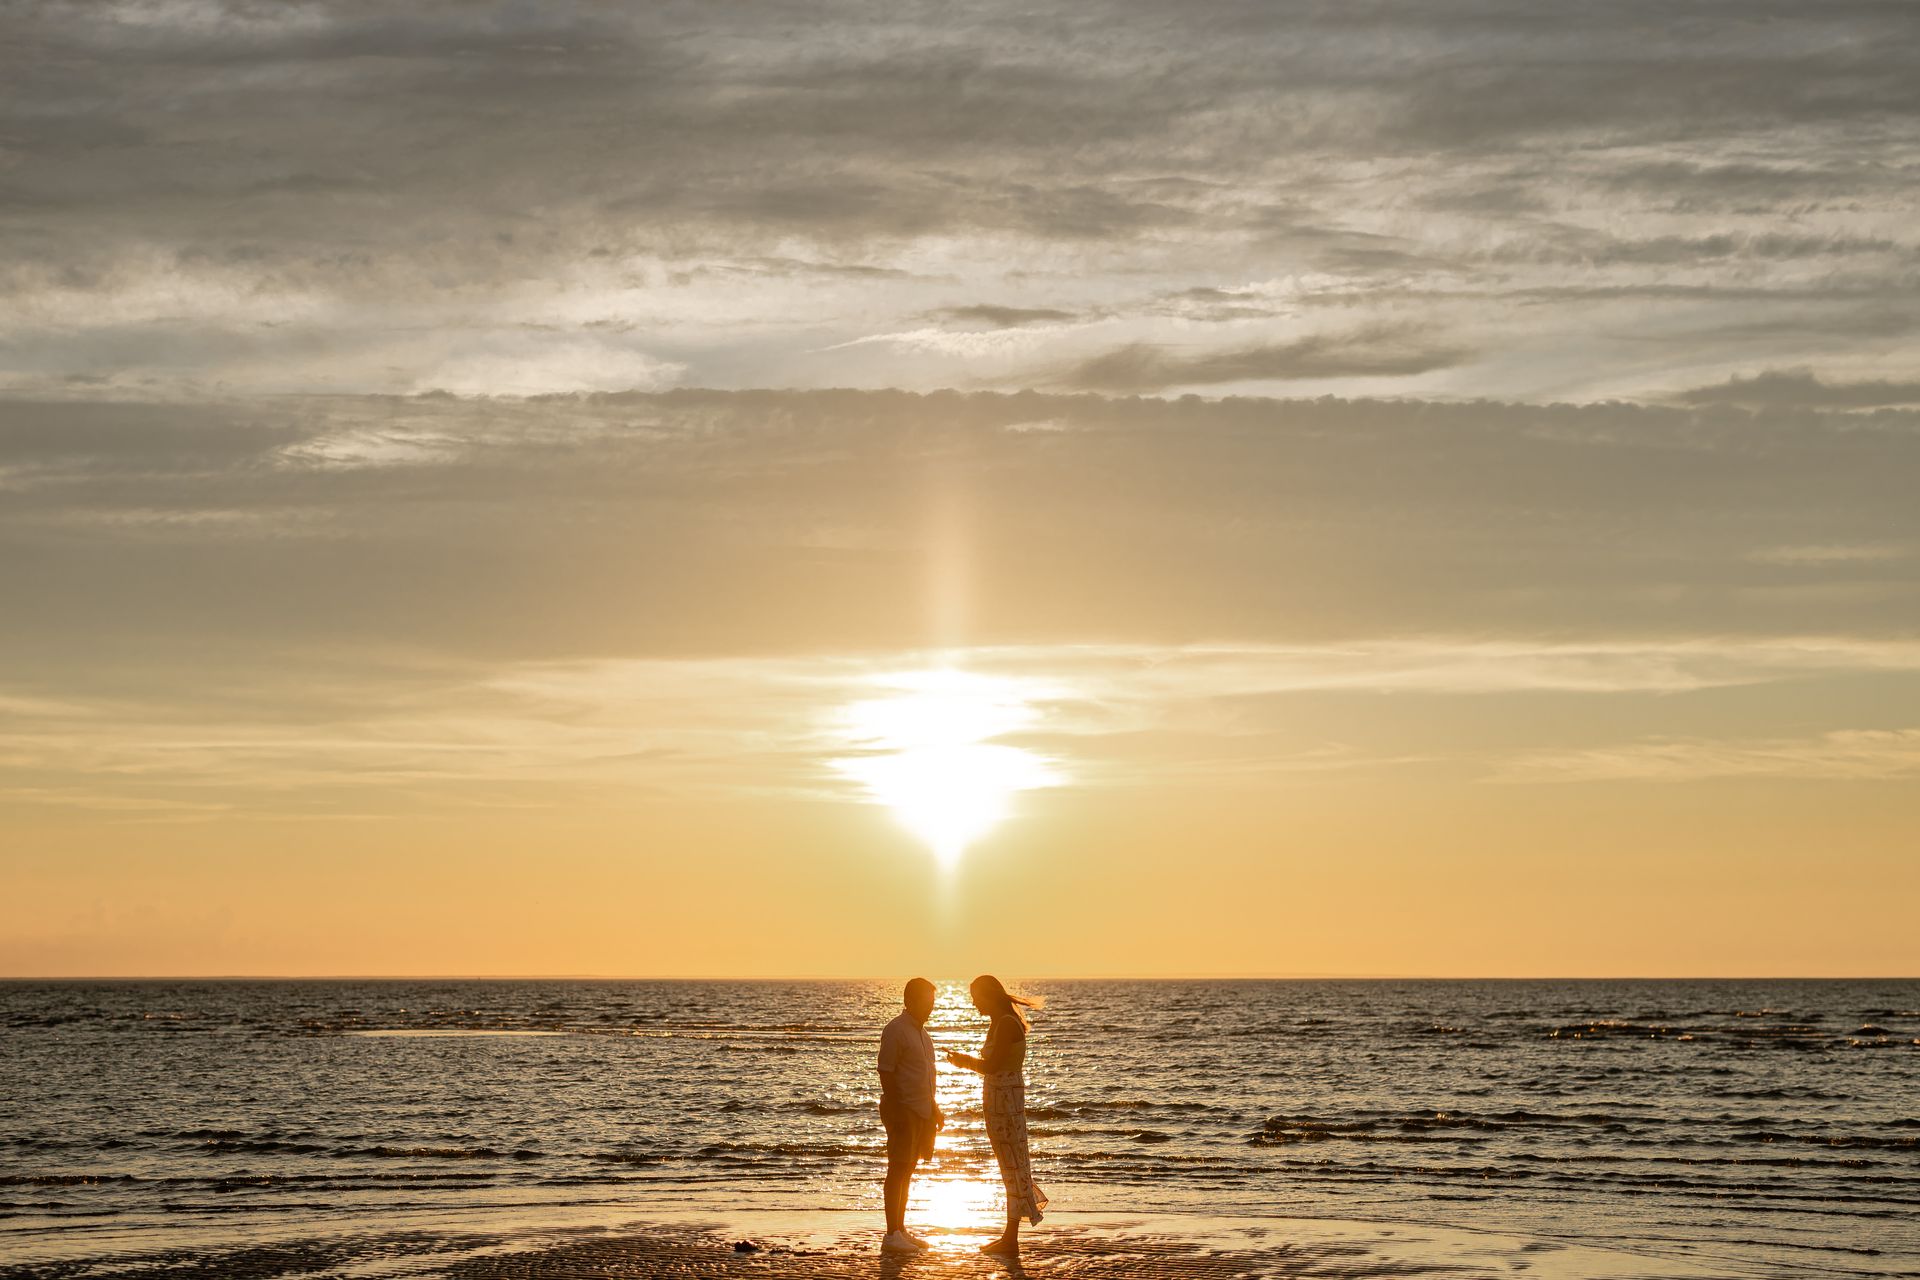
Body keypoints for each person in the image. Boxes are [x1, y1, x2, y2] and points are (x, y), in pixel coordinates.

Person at [944, 974, 1048, 1255]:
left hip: (1006, 1104)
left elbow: (993, 1066)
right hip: (1002, 1103)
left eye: (976, 997)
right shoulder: (1000, 1022)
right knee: (1010, 1168)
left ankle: (1010, 1240)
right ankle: (1009, 1237)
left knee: (1012, 1168)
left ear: (989, 996)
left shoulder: (1005, 1024)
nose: (974, 1003)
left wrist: (961, 1061)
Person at [877, 977, 943, 1253]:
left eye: (933, 1001)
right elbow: (886, 1071)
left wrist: (935, 1109)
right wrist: (897, 1110)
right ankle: (892, 1234)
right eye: (927, 1001)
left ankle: (901, 1230)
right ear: (911, 1001)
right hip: (903, 1110)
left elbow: (926, 1077)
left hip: (922, 1111)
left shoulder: (922, 1034)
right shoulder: (896, 1030)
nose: (931, 1006)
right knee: (898, 1169)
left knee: (909, 1170)